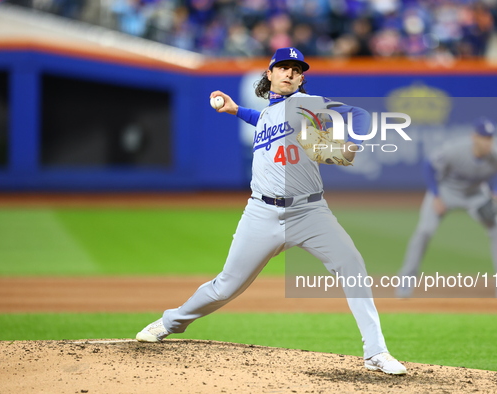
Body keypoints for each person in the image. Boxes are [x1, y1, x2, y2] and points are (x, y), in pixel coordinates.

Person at [135, 47, 407, 375]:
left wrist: (352, 144)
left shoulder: (308, 103)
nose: (290, 73)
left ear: (302, 77)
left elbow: (359, 114)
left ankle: (375, 351)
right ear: (270, 73)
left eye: (296, 69)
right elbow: (263, 118)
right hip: (261, 214)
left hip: (310, 213)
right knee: (225, 286)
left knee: (353, 266)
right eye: (283, 67)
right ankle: (169, 322)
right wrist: (237, 111)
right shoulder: (268, 114)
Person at [396, 118, 497, 299]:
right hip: (446, 190)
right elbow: (429, 166)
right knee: (424, 231)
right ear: (474, 137)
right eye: (484, 137)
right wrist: (436, 196)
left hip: (476, 194)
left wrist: (496, 193)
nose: (488, 142)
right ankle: (406, 281)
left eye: (490, 138)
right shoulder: (455, 150)